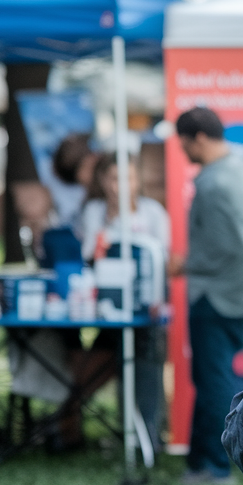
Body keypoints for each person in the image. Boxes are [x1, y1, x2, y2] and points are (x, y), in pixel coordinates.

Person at [172, 106, 243, 485]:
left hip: (216, 294)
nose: (182, 152)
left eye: (183, 143)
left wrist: (186, 264)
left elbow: (232, 246)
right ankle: (203, 460)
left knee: (213, 382)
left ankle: (214, 465)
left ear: (197, 138)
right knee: (221, 378)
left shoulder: (212, 182)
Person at [72, 153, 170, 449]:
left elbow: (162, 259)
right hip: (107, 307)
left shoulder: (152, 212)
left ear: (137, 180)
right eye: (113, 178)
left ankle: (150, 434)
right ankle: (122, 431)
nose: (119, 186)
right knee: (107, 361)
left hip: (144, 307)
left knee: (146, 368)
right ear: (102, 181)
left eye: (126, 178)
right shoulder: (94, 211)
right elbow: (88, 257)